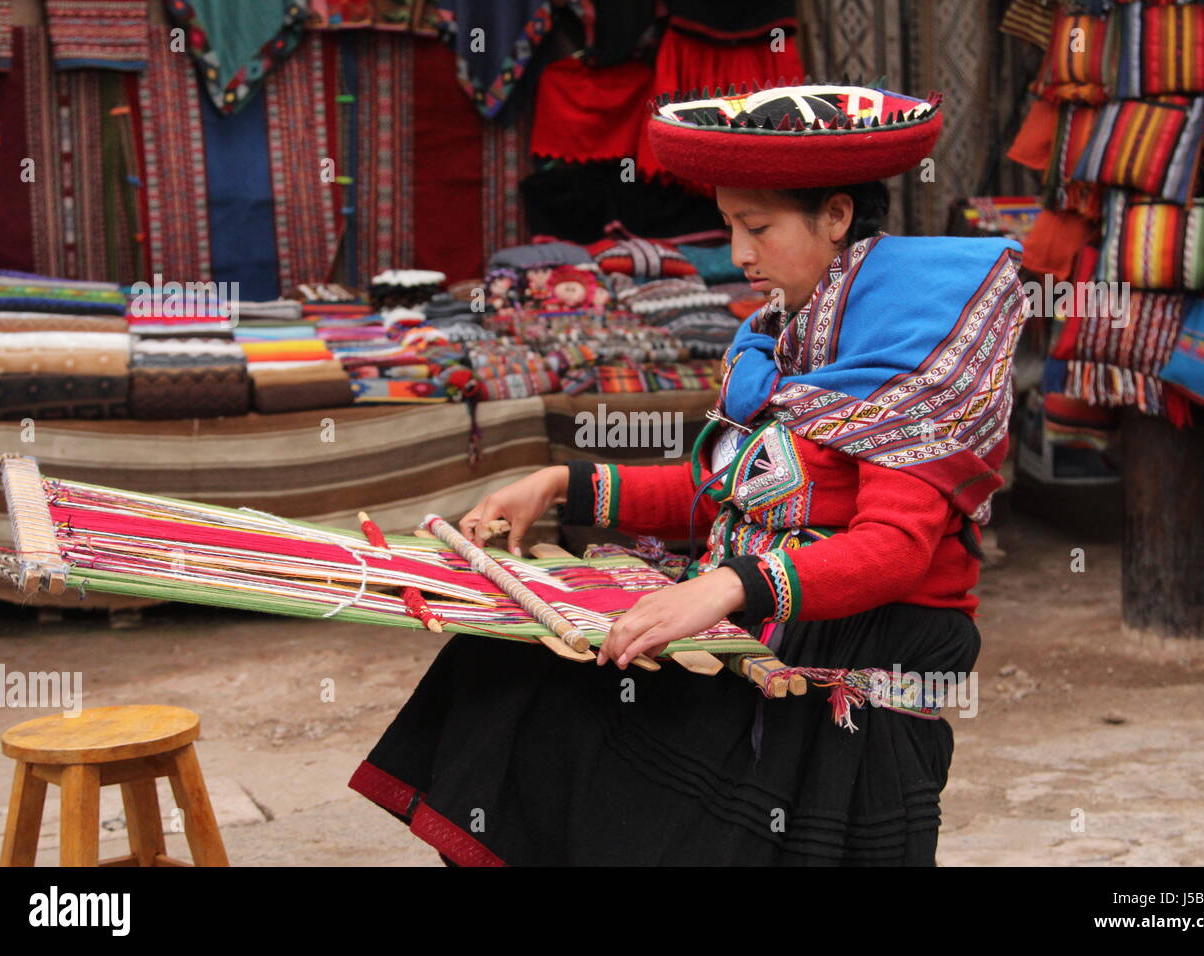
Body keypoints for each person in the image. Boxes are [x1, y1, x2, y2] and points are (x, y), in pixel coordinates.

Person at [349, 83, 1026, 865]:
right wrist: (560, 485)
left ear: (835, 217)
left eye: (757, 227)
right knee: (510, 664)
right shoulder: (781, 338)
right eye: (731, 225)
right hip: (766, 628)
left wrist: (727, 586)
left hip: (847, 665)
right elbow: (723, 496)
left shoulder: (917, 351)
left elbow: (895, 550)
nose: (738, 254)